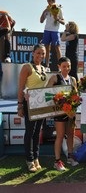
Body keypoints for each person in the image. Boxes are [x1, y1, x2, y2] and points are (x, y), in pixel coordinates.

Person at [17, 44, 49, 172]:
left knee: (37, 132)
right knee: (30, 132)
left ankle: (36, 157)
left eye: (43, 54)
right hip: (30, 104)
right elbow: (20, 88)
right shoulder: (26, 67)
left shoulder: (44, 68)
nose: (40, 56)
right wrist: (20, 105)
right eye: (38, 53)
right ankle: (29, 159)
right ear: (33, 53)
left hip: (41, 103)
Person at [46, 56, 79, 171]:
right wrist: (58, 100)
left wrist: (73, 109)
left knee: (70, 135)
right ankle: (57, 161)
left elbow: (76, 95)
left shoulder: (73, 79)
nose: (66, 68)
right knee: (60, 136)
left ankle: (70, 156)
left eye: (68, 66)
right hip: (60, 112)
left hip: (70, 113)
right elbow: (47, 93)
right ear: (59, 66)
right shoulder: (55, 77)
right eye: (64, 66)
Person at [40, 0, 65, 71]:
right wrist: (44, 11)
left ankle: (61, 66)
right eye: (47, 1)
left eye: (49, 1)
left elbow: (63, 22)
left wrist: (57, 19)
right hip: (47, 30)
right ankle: (47, 66)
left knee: (57, 47)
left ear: (53, 1)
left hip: (55, 30)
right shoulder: (47, 9)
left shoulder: (59, 9)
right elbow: (41, 21)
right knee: (46, 48)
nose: (48, 2)